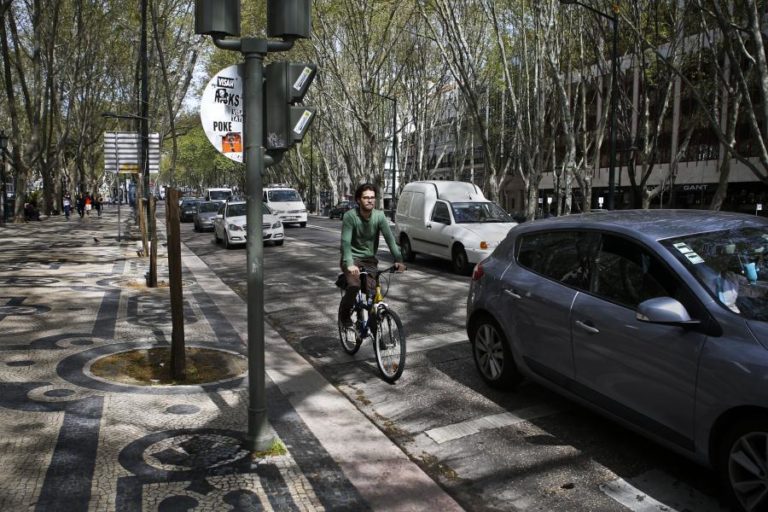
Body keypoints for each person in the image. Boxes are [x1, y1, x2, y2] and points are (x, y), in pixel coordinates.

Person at [338, 183, 406, 327]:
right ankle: (344, 315)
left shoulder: (379, 216)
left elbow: (390, 240)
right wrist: (349, 264)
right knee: (354, 285)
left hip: (369, 260)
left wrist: (399, 259)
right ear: (358, 200)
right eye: (366, 198)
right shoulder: (350, 216)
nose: (370, 200)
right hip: (351, 258)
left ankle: (374, 331)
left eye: (372, 198)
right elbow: (345, 243)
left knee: (373, 293)